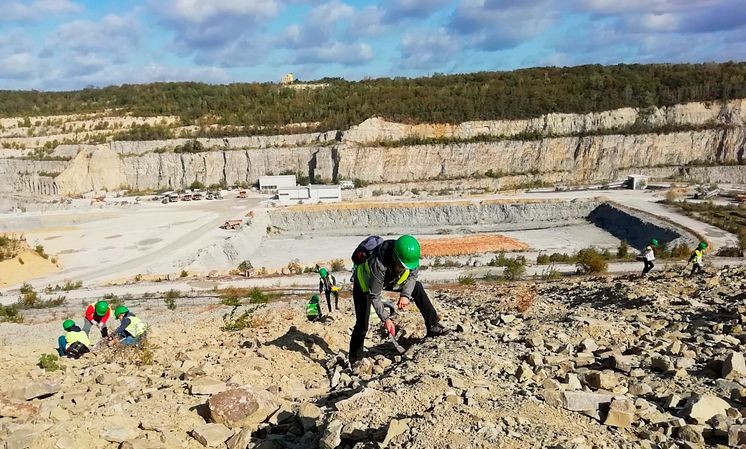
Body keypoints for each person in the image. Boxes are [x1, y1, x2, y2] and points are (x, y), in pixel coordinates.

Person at [350, 234, 449, 364]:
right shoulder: (378, 264)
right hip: (364, 285)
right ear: (394, 257)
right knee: (362, 323)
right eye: (402, 266)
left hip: (389, 278)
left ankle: (433, 325)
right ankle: (355, 358)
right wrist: (386, 319)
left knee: (417, 287)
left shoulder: (410, 258)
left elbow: (413, 276)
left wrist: (405, 295)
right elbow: (374, 295)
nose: (405, 269)